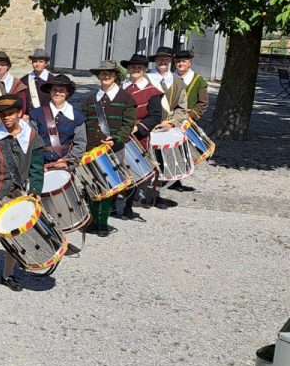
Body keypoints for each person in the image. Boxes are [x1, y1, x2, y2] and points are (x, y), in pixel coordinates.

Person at [0, 94, 45, 291]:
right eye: (3, 115)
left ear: (19, 113)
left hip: (17, 195)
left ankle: (8, 273)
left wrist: (35, 190)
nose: (6, 118)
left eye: (10, 114)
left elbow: (37, 168)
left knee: (15, 234)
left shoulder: (32, 137)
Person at [81, 60, 138, 236]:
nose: (106, 76)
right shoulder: (90, 100)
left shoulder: (127, 98)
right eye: (103, 73)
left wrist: (116, 139)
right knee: (91, 186)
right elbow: (82, 123)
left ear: (116, 76)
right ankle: (93, 220)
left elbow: (128, 124)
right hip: (91, 149)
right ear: (98, 76)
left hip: (113, 148)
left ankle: (103, 223)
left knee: (108, 187)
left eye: (110, 73)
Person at [122, 53, 174, 213]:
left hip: (138, 135)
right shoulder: (122, 88)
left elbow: (155, 116)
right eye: (132, 67)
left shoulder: (152, 91)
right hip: (120, 133)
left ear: (144, 69)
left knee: (134, 170)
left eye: (139, 67)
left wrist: (136, 128)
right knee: (120, 168)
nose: (135, 70)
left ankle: (128, 206)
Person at [29, 74, 86, 172]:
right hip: (40, 166)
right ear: (50, 92)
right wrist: (36, 164)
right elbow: (29, 142)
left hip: (64, 166)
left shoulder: (77, 117)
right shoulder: (37, 114)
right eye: (54, 90)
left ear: (67, 93)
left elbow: (80, 144)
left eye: (62, 90)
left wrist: (66, 162)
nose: (57, 93)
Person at [173, 49, 207, 193]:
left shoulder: (198, 80)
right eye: (178, 61)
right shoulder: (169, 78)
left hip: (186, 121)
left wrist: (190, 116)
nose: (181, 64)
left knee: (181, 152)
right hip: (168, 120)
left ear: (189, 63)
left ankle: (177, 179)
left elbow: (203, 103)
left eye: (184, 61)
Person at [146, 46, 189, 128]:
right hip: (146, 127)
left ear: (170, 60)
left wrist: (172, 123)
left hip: (168, 127)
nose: (162, 61)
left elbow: (181, 108)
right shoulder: (145, 78)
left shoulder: (178, 82)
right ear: (155, 60)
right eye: (159, 59)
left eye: (166, 59)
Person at [22, 48, 55, 113]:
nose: (37, 64)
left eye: (41, 62)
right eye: (35, 61)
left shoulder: (52, 80)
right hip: (27, 116)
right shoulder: (24, 80)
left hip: (47, 116)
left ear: (45, 64)